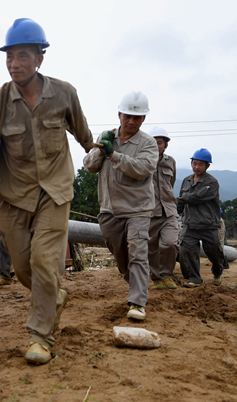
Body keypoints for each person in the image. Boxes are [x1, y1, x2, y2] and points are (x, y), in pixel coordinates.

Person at [0, 18, 95, 365]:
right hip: (13, 197)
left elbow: (84, 135)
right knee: (25, 269)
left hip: (55, 192)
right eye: (9, 57)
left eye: (22, 56)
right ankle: (53, 297)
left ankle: (40, 337)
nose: (14, 64)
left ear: (40, 58)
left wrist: (98, 152)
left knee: (45, 261)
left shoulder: (64, 93)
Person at [83, 91, 158, 322]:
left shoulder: (148, 143)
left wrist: (114, 155)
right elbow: (89, 166)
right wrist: (99, 149)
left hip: (138, 209)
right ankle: (136, 282)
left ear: (143, 119)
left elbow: (142, 169)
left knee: (138, 252)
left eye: (137, 118)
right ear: (119, 114)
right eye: (128, 116)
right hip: (109, 210)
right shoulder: (107, 137)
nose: (132, 121)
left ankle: (137, 302)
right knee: (120, 255)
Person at [177, 148, 224, 288]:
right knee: (187, 250)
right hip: (190, 224)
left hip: (208, 224)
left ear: (207, 166)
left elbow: (196, 197)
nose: (196, 167)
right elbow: (181, 201)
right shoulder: (186, 181)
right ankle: (194, 279)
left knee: (214, 253)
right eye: (194, 164)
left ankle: (217, 271)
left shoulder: (212, 182)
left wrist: (180, 198)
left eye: (200, 164)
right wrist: (177, 214)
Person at [147, 126, 180, 290]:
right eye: (153, 142)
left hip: (169, 210)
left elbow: (171, 183)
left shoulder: (170, 161)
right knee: (152, 248)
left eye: (159, 142)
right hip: (150, 211)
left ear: (165, 144)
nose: (156, 145)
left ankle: (167, 275)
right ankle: (156, 278)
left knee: (169, 243)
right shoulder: (144, 161)